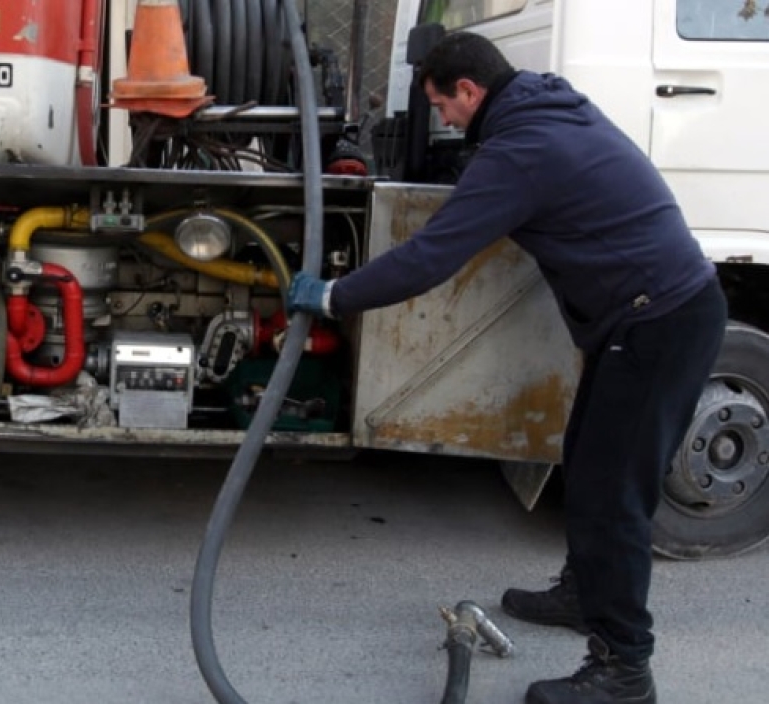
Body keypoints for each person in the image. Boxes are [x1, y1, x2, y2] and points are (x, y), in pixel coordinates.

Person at [287, 32, 726, 704]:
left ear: (469, 90)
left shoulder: (523, 150)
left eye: (444, 106)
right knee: (584, 464)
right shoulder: (546, 108)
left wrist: (334, 296)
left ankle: (624, 670)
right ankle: (586, 592)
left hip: (658, 324)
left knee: (614, 499)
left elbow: (432, 257)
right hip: (649, 316)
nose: (446, 122)